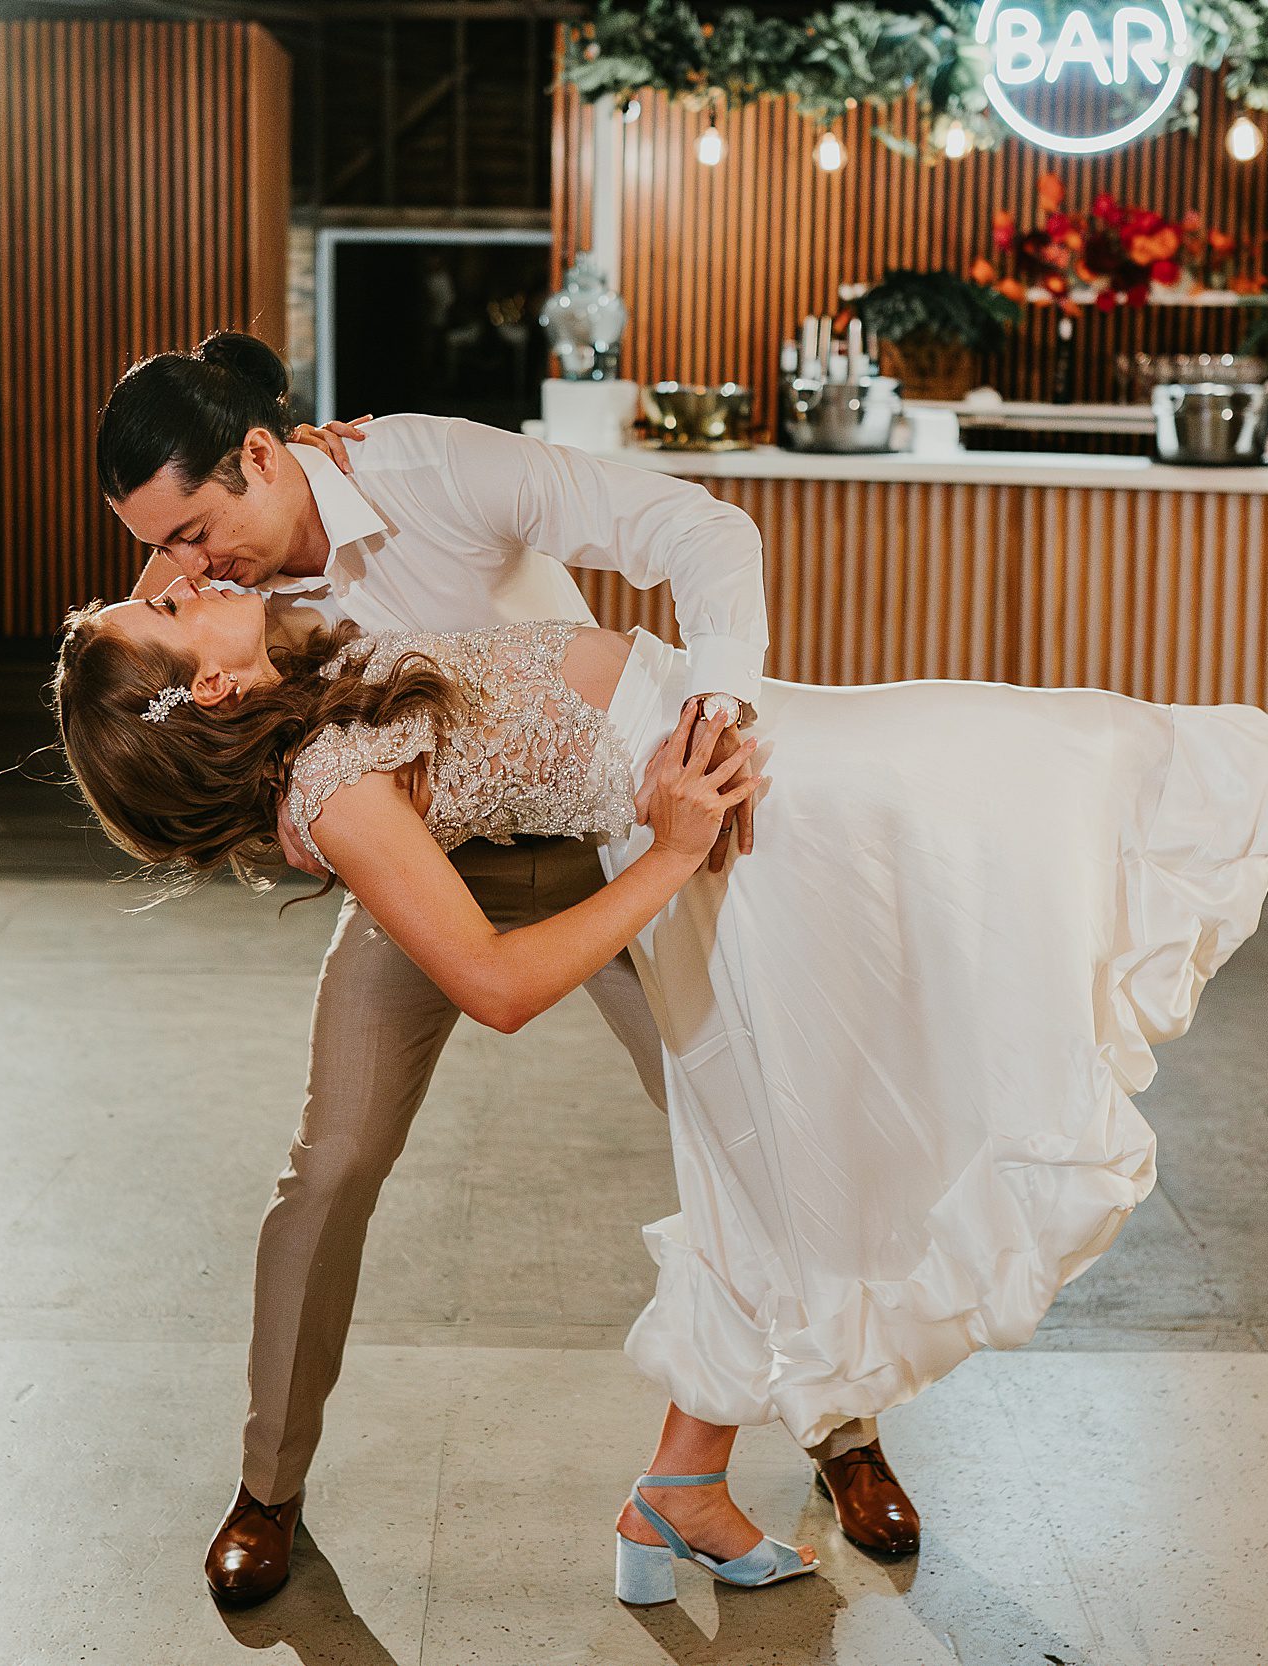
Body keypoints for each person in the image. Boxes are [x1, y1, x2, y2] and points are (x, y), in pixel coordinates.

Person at [49, 574, 1268, 1603]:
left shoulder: (307, 671)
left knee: (784, 1172)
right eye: (165, 611)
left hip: (749, 760)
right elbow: (498, 986)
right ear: (214, 684)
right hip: (753, 814)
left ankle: (678, 1488)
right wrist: (673, 846)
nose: (182, 580)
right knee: (1087, 758)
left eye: (167, 577)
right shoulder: (330, 793)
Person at [91, 331, 919, 1609]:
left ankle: (844, 1432)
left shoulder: (427, 468)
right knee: (332, 1163)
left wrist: (719, 716)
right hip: (422, 867)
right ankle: (268, 1487)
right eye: (162, 550)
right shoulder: (212, 579)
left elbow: (702, 533)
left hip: (613, 827)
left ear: (262, 454)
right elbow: (174, 710)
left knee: (753, 1122)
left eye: (195, 530)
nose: (179, 566)